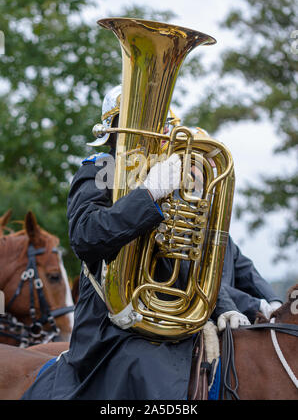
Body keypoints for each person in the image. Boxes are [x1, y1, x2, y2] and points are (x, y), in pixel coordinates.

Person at [21, 86, 281, 400]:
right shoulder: (100, 169)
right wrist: (147, 194)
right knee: (152, 378)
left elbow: (204, 259)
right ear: (116, 130)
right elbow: (87, 236)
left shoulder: (171, 182)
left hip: (173, 325)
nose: (156, 134)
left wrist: (249, 305)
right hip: (116, 324)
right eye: (146, 123)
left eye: (160, 125)